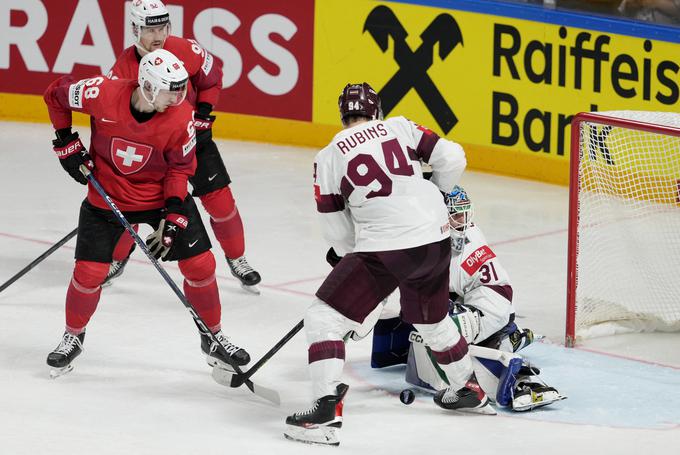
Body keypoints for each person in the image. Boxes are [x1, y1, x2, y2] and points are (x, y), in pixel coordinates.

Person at [283, 82, 491, 447]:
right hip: (436, 237)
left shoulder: (329, 155)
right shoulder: (401, 126)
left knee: (324, 317)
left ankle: (324, 412)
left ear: (343, 116)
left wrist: (352, 254)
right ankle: (468, 389)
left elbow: (335, 227)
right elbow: (454, 157)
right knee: (432, 320)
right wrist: (438, 193)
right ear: (376, 111)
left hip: (385, 248)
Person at [43, 49, 250, 378]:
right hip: (107, 197)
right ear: (150, 87)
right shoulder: (101, 93)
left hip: (158, 197)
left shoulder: (182, 117)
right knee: (89, 273)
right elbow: (55, 94)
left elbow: (180, 170)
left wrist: (174, 217)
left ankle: (213, 336)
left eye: (182, 89)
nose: (180, 97)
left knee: (200, 264)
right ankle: (73, 336)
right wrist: (66, 142)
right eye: (173, 90)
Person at [103, 0, 261, 293]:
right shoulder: (122, 70)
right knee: (130, 209)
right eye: (150, 29)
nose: (158, 36)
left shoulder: (186, 49)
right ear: (135, 29)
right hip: (151, 153)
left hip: (191, 139)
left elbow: (212, 79)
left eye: (163, 27)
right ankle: (117, 256)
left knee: (221, 203)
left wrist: (202, 114)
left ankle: (237, 258)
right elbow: (113, 117)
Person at [371, 186, 564, 412]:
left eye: (462, 214)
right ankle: (507, 335)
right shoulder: (463, 233)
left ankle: (490, 381)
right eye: (455, 215)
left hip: (487, 308)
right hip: (494, 303)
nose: (461, 220)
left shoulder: (450, 244)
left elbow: (431, 291)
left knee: (436, 327)